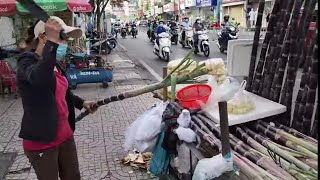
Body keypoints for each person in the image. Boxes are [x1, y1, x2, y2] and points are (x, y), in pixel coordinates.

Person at [17, 16, 97, 180]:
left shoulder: (55, 63)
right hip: (42, 142)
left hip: (65, 135)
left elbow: (63, 92)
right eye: (61, 38)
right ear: (43, 37)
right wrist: (52, 45)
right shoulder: (26, 62)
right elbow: (40, 80)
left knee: (73, 176)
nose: (63, 44)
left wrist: (82, 103)